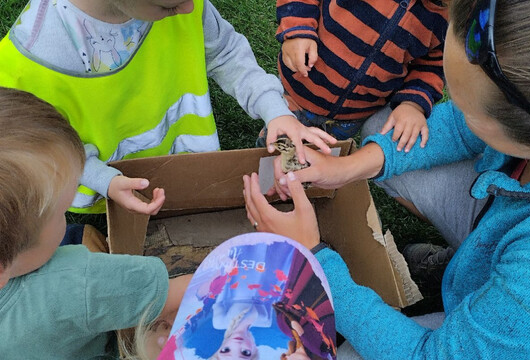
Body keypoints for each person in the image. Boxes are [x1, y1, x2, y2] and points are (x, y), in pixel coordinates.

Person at [244, 0, 530, 357]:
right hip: (510, 244)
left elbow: (427, 355)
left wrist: (315, 257)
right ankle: (471, 265)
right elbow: (458, 130)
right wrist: (346, 168)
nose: (452, 113)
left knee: (349, 351)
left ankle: (480, 282)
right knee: (393, 131)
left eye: (465, 107)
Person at [0, 0, 335, 215]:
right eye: (169, 5)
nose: (190, 9)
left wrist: (274, 109)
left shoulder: (184, 3)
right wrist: (104, 179)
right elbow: (43, 149)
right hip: (104, 187)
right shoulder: (31, 62)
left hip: (182, 164)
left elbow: (227, 53)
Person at [0, 86, 193, 359]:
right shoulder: (78, 281)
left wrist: (107, 181)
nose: (65, 217)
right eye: (62, 211)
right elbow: (190, 290)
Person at [256, 0, 448, 153]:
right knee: (275, 149)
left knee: (318, 159)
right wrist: (297, 29)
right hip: (300, 89)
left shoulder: (449, 18)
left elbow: (434, 65)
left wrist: (412, 104)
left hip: (353, 115)